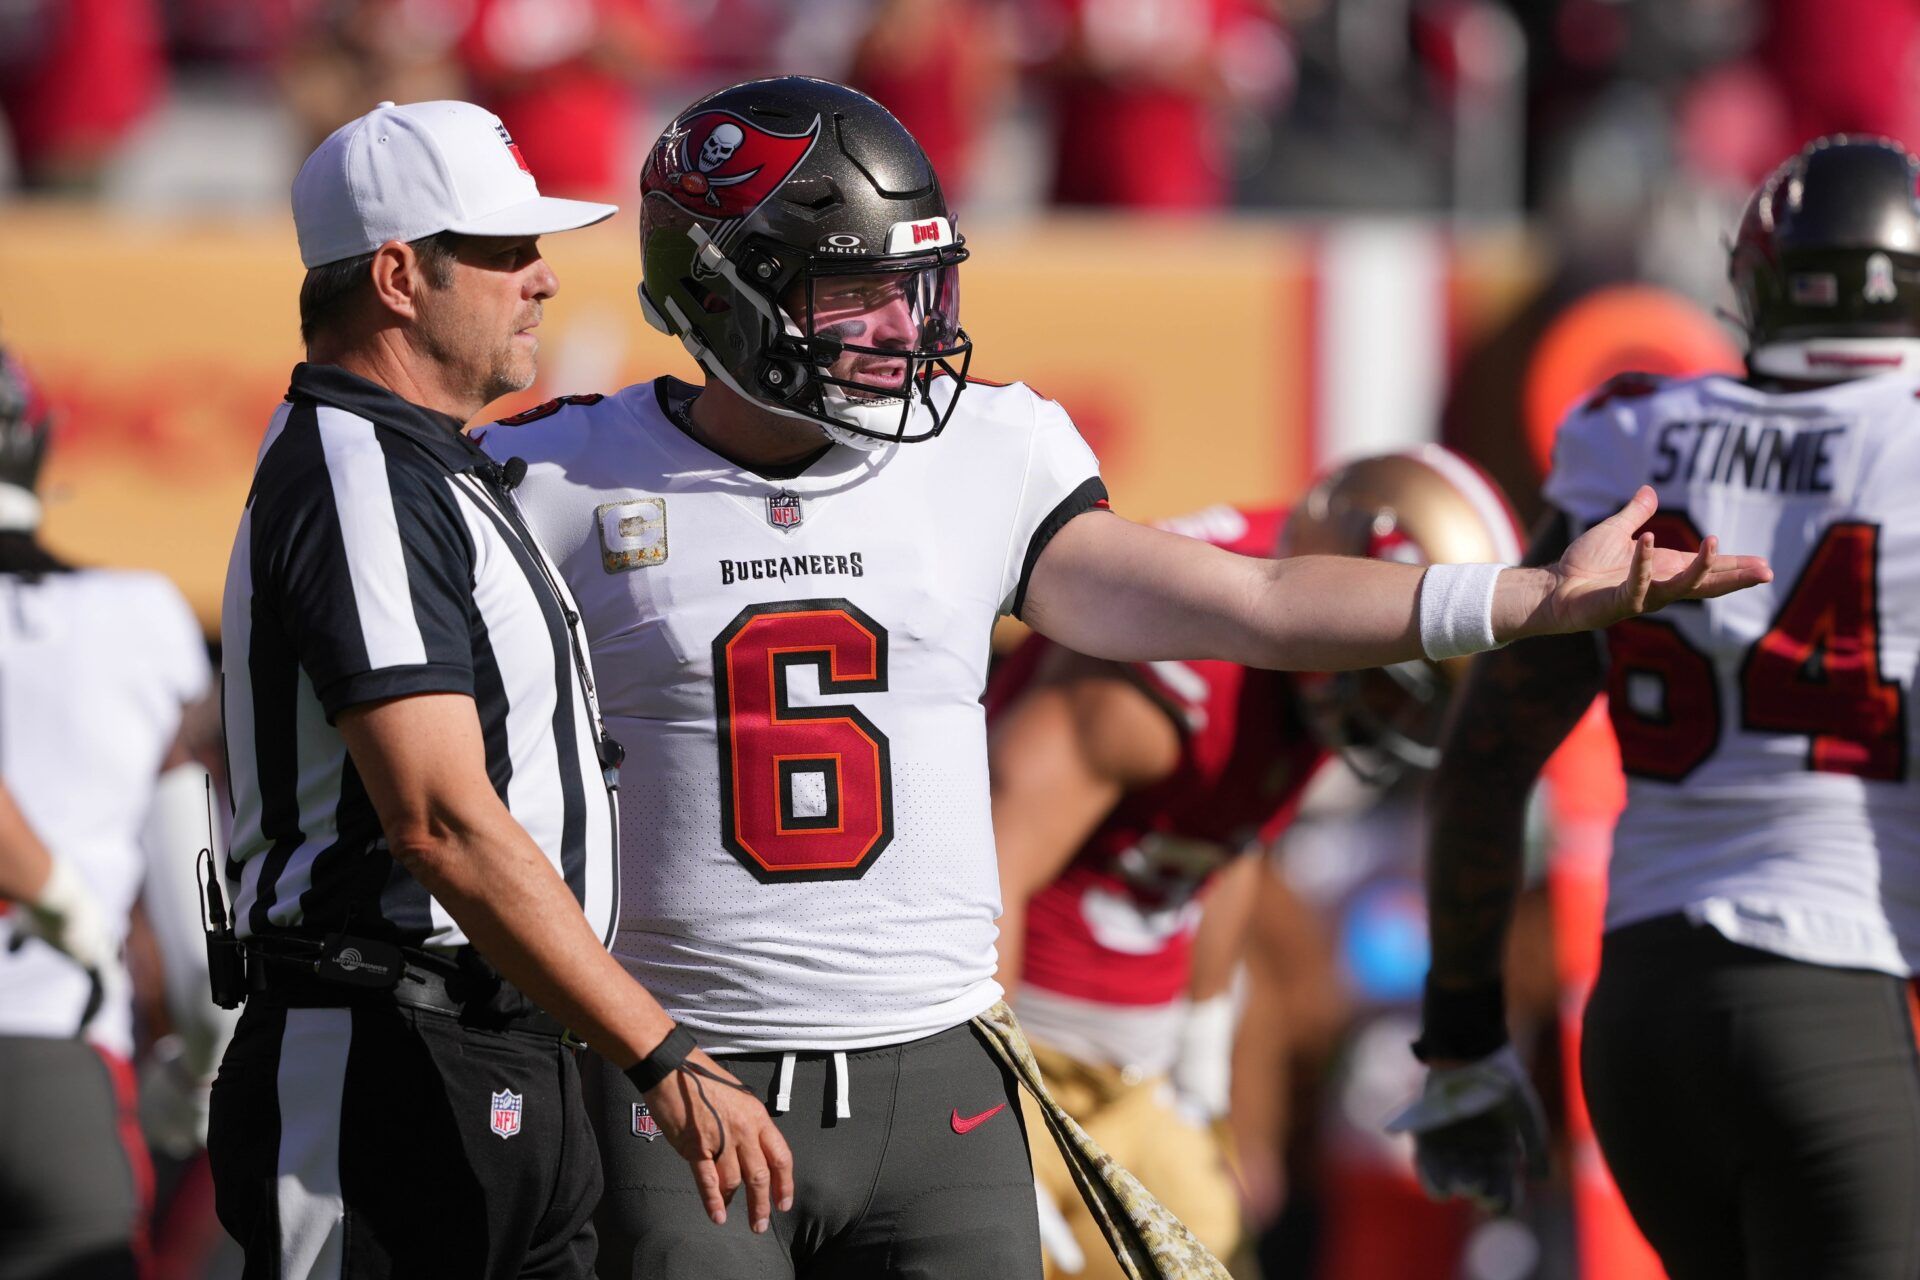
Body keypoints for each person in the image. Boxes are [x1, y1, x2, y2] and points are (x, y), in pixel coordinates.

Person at [477, 75, 1765, 1278]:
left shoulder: (988, 450)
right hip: (693, 1068)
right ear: (723, 294)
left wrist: (1527, 600)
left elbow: (1259, 599)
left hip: (942, 1080)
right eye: (855, 295)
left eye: (919, 288)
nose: (903, 331)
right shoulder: (556, 479)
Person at [210, 99, 790, 1279]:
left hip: (491, 1044)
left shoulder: (428, 461)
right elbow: (437, 817)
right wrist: (659, 1047)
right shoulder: (355, 472)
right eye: (504, 250)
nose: (543, 280)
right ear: (397, 274)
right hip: (382, 1056)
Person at [1392, 134, 1920, 1278]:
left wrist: (1467, 1043)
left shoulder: (1643, 433)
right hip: (1846, 996)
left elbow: (1485, 759)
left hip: (1646, 1019)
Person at [984, 449, 1525, 1278]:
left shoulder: (1301, 656)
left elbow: (1230, 836)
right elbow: (988, 872)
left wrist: (1203, 1053)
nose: (1397, 718)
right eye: (1394, 685)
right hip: (1026, 1057)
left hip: (1138, 1075)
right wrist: (993, 1123)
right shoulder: (1157, 684)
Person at [0, 344, 229, 1280]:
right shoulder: (135, 619)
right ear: (41, 442)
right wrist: (194, 1076)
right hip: (51, 1066)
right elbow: (200, 940)